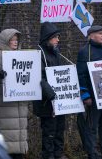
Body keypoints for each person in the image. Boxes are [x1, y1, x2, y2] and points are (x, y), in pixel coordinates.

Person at [76, 25, 102, 159]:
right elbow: (80, 75)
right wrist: (85, 94)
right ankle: (92, 153)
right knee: (92, 126)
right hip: (93, 96)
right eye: (100, 33)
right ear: (91, 36)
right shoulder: (84, 52)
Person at [0, 29, 28, 159]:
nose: (15, 42)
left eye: (17, 40)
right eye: (12, 39)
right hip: (5, 106)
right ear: (5, 40)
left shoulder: (22, 56)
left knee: (19, 143)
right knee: (8, 144)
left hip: (20, 105)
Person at [33, 22, 68, 159]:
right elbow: (39, 78)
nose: (58, 40)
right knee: (49, 132)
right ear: (48, 38)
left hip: (58, 101)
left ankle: (58, 154)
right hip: (46, 101)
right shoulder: (38, 54)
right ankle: (48, 156)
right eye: (55, 37)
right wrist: (51, 95)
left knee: (60, 129)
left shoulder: (56, 53)